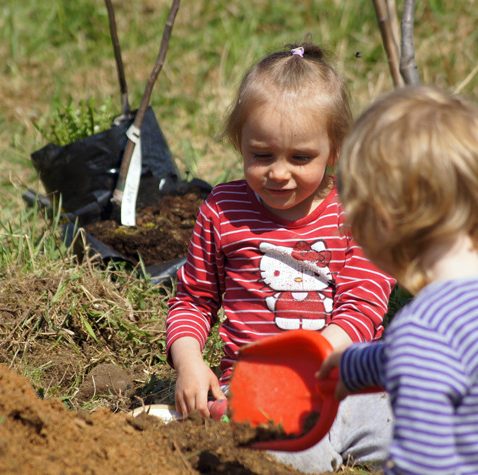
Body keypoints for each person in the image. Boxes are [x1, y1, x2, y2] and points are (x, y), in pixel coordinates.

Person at [319, 85, 478, 474]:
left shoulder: (423, 332)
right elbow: (438, 357)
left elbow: (423, 464)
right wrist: (353, 367)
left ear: (383, 221)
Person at [166, 40, 397, 472]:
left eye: (301, 158)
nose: (278, 172)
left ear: (337, 149)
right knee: (279, 455)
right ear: (240, 142)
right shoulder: (222, 209)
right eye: (261, 155)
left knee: (425, 429)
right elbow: (193, 300)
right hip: (262, 393)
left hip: (352, 385)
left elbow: (365, 301)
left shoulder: (356, 209)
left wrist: (315, 359)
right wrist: (190, 364)